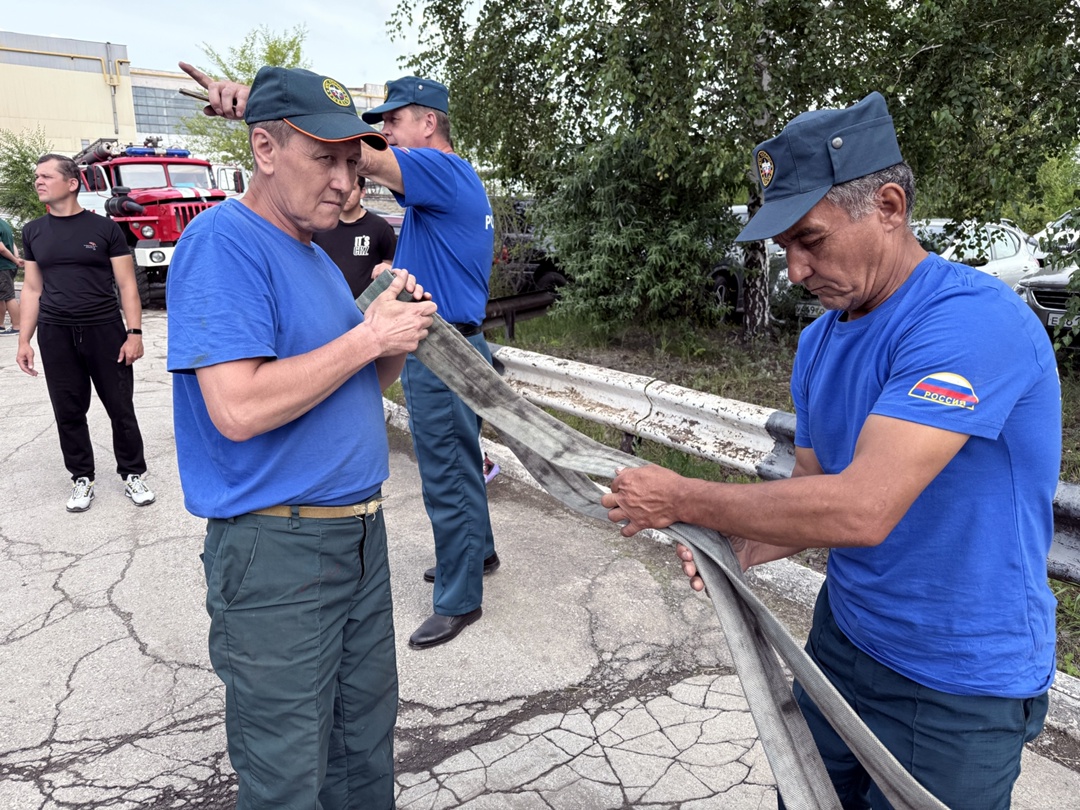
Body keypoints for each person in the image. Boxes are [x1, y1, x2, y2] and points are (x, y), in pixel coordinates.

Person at [601, 92, 1060, 810]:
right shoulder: (821, 339)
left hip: (957, 684)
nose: (794, 269)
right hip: (843, 643)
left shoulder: (971, 322)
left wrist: (684, 497)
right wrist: (739, 545)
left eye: (809, 240)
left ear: (887, 206)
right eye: (784, 247)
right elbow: (816, 485)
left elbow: (864, 508)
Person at [169, 64, 437, 809]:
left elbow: (350, 391)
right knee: (287, 773)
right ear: (264, 148)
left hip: (357, 538)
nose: (346, 182)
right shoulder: (225, 243)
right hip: (280, 553)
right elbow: (240, 409)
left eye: (354, 162)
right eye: (325, 158)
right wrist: (363, 340)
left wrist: (391, 334)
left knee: (362, 753)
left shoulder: (315, 256)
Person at [15, 155, 156, 512]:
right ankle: (82, 477)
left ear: (72, 182)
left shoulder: (104, 229)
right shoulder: (32, 231)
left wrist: (134, 332)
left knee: (120, 406)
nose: (38, 181)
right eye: (36, 176)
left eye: (46, 175)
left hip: (104, 329)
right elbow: (31, 289)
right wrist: (23, 340)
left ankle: (132, 472)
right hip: (55, 331)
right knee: (68, 408)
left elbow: (127, 286)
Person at [313, 173, 398, 298]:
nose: (345, 192)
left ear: (362, 192)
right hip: (327, 304)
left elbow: (393, 264)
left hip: (365, 309)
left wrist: (389, 268)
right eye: (341, 187)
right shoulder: (321, 226)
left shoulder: (379, 227)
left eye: (352, 188)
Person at [0, 215, 23, 334]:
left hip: (3, 266)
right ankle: (1, 325)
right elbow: (13, 244)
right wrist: (16, 258)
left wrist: (15, 260)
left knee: (9, 296)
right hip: (8, 266)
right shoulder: (4, 224)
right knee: (1, 296)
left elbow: (1, 249)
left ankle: (17, 327)